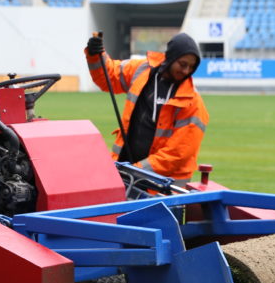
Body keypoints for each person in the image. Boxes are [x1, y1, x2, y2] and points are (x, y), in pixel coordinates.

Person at [85, 32, 208, 184]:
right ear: (170, 58)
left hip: (163, 185)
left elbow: (177, 154)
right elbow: (109, 77)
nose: (186, 71)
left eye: (191, 67)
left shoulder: (193, 103)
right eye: (183, 64)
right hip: (127, 172)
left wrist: (135, 171)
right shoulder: (142, 69)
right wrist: (95, 54)